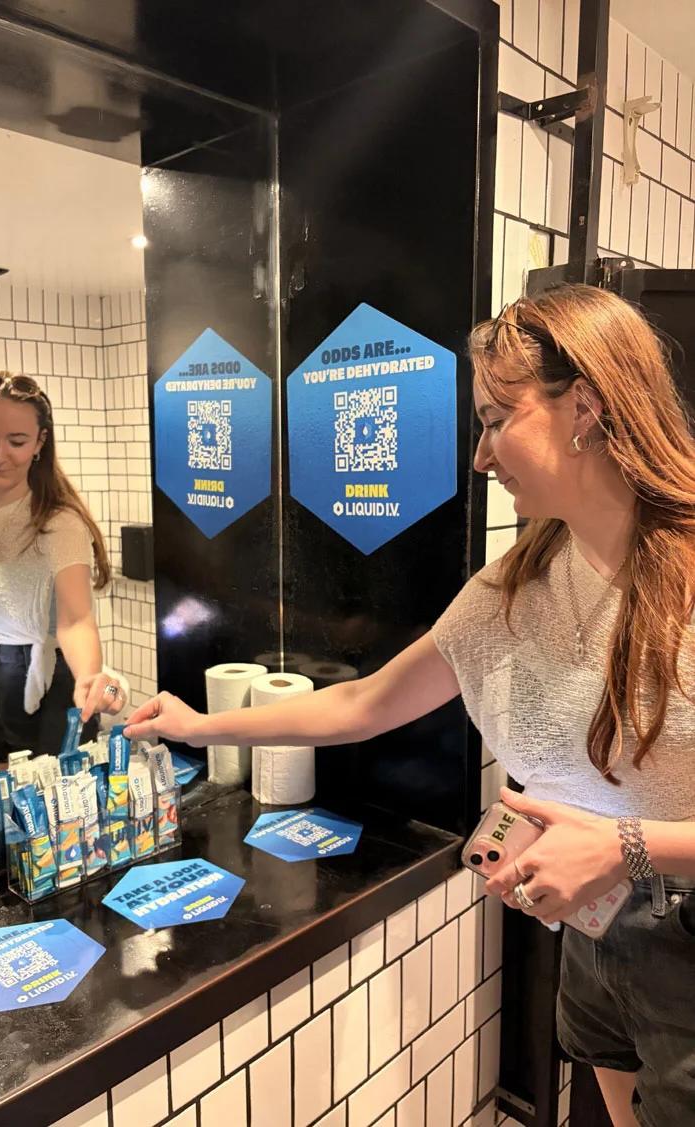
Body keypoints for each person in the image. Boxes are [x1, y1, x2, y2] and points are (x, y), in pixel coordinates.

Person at [124, 285, 695, 1127]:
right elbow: (363, 702)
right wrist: (197, 725)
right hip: (593, 926)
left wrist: (624, 847)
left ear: (584, 406)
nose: (481, 455)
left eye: (496, 419)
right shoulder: (518, 582)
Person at [0, 371, 126, 785]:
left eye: (17, 441)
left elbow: (75, 620)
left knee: (54, 804)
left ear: (40, 442)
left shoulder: (58, 522)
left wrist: (89, 677)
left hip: (45, 674)